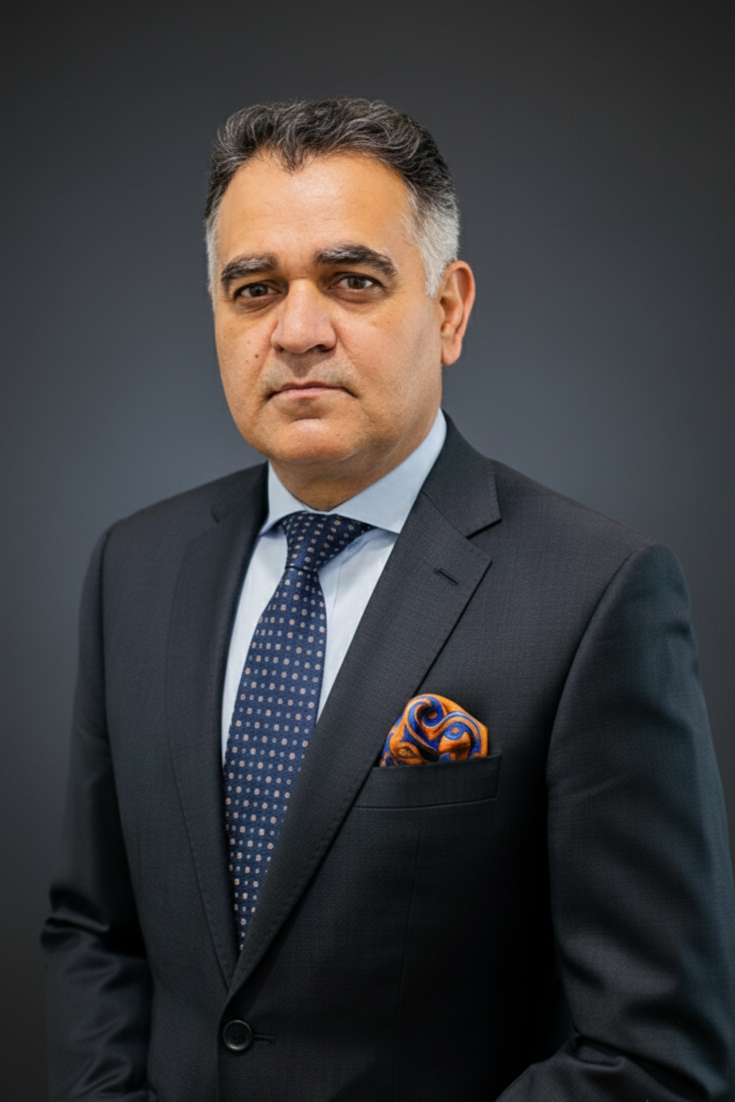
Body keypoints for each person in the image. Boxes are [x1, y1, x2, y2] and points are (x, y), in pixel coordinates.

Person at [43, 98, 735, 1102]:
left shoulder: (595, 596)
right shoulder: (134, 567)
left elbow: (655, 1055)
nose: (297, 330)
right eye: (252, 287)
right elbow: (91, 931)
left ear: (449, 308)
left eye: (352, 280)